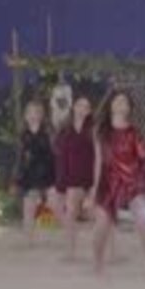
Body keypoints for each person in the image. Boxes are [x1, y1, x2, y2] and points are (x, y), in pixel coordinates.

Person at [88, 91, 145, 276]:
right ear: (110, 105)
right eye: (117, 100)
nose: (120, 104)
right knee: (101, 226)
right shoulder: (100, 131)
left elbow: (144, 161)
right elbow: (98, 161)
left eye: (124, 101)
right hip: (108, 181)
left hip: (133, 180)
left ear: (129, 108)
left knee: (143, 222)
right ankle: (98, 264)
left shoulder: (134, 132)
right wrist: (94, 188)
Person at [55, 95, 95, 261]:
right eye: (79, 105)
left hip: (89, 177)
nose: (82, 109)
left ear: (89, 111)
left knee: (92, 214)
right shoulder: (65, 130)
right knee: (70, 213)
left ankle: (99, 249)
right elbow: (60, 156)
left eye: (86, 106)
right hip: (70, 177)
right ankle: (71, 250)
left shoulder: (93, 130)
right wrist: (60, 182)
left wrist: (95, 184)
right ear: (74, 107)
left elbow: (98, 157)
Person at [13, 100, 57, 246]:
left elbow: (53, 155)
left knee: (54, 204)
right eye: (30, 112)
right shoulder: (23, 135)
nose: (33, 115)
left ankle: (66, 230)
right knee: (28, 208)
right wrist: (17, 177)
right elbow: (20, 158)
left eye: (36, 112)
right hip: (29, 175)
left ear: (42, 115)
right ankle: (28, 240)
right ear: (25, 116)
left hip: (48, 173)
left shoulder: (47, 133)